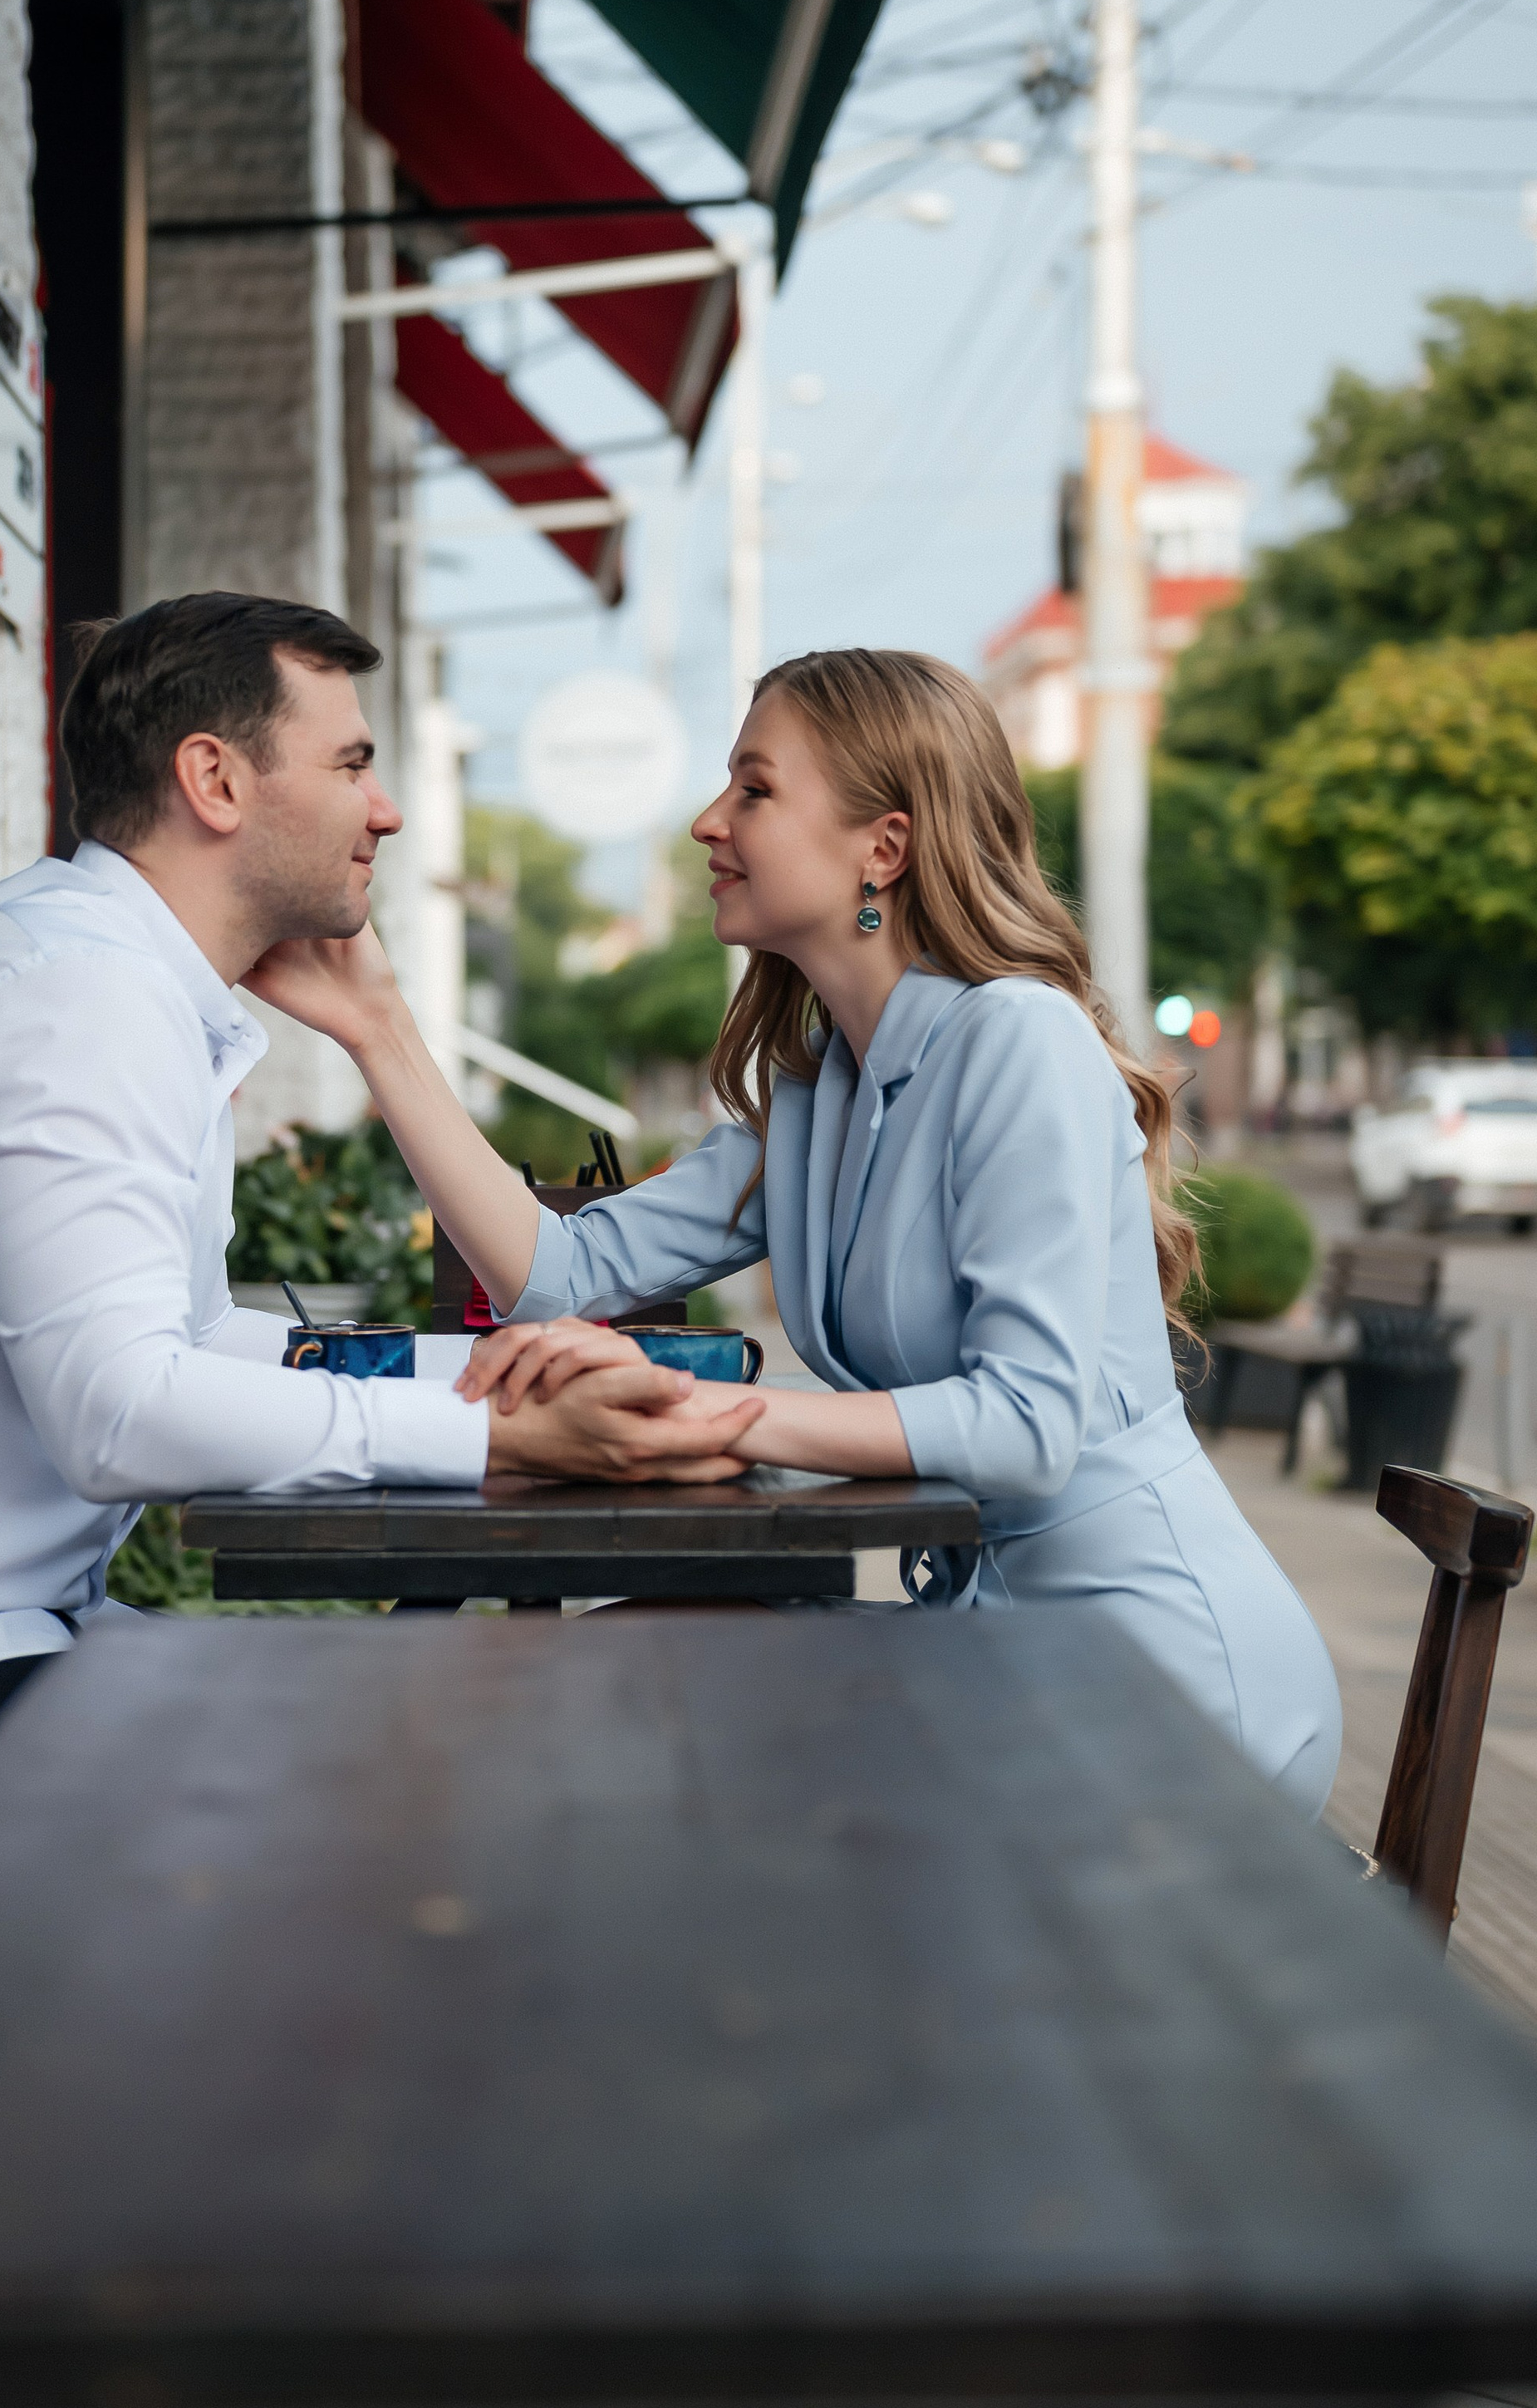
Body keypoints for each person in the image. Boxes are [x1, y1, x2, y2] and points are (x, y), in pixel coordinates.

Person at [0, 593, 763, 1852]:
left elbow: (190, 1338)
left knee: (435, 1746)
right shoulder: (77, 994)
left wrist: (497, 1382)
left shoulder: (108, 973)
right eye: (353, 764)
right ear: (214, 778)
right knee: (408, 1787)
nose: (388, 809)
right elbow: (120, 1412)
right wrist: (503, 1440)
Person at [254, 645, 1343, 1817]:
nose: (709, 822)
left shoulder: (1019, 1041)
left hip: (1155, 1672)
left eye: (755, 789)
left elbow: (1029, 1426)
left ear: (885, 844)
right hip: (988, 1642)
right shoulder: (823, 1092)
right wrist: (379, 1031)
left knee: (685, 1780)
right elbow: (558, 1273)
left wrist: (699, 1411)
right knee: (579, 1688)